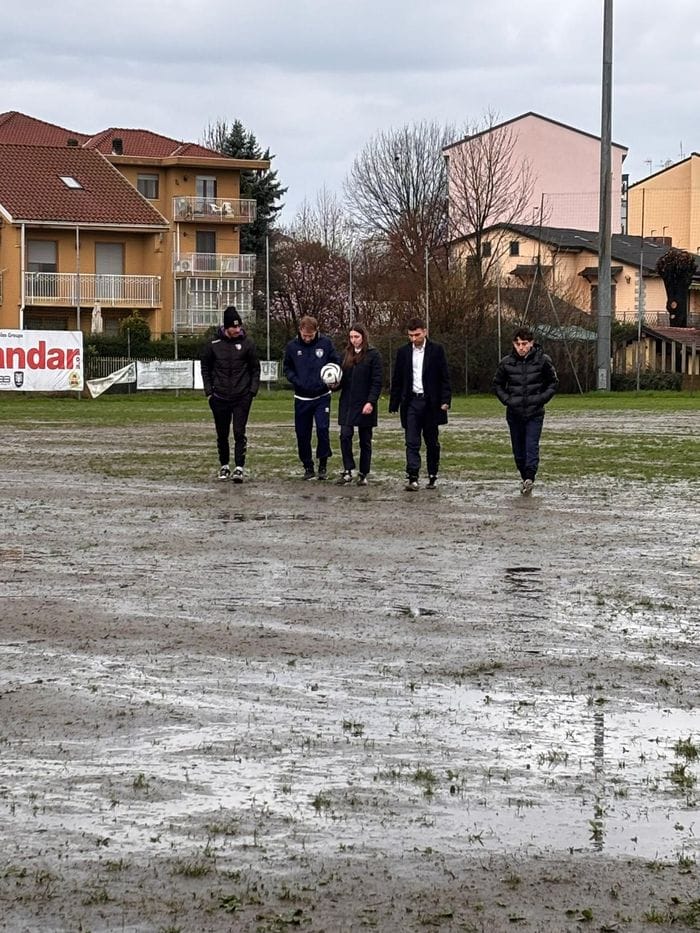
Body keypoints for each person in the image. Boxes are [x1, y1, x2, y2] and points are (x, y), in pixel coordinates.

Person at [493, 325, 559, 496]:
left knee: (531, 445)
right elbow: (497, 384)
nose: (521, 348)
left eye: (524, 344)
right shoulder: (506, 362)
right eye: (518, 344)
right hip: (514, 413)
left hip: (534, 413)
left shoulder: (543, 360)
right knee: (518, 450)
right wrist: (507, 400)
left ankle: (530, 477)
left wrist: (541, 399)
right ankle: (524, 478)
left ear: (531, 343)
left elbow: (553, 383)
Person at [388, 317, 451, 491]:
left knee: (431, 441)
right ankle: (413, 476)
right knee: (411, 440)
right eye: (410, 335)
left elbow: (444, 377)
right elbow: (398, 378)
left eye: (417, 335)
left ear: (425, 331)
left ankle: (432, 474)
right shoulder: (403, 352)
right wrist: (394, 402)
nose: (414, 339)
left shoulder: (437, 350)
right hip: (411, 402)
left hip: (431, 403)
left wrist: (445, 400)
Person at [201, 305, 260, 483]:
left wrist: (252, 391)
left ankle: (239, 468)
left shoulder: (248, 344)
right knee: (222, 433)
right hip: (219, 397)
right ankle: (224, 465)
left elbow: (255, 369)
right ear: (226, 327)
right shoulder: (213, 346)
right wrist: (209, 392)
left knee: (239, 431)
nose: (237, 329)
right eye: (233, 327)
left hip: (242, 397)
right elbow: (205, 368)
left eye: (238, 326)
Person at [283, 315, 341, 480]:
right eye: (305, 335)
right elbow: (287, 368)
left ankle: (323, 464)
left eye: (311, 335)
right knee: (302, 433)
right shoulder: (292, 347)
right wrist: (296, 381)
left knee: (323, 429)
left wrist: (333, 379)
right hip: (301, 398)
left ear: (316, 331)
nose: (307, 339)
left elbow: (335, 362)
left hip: (322, 396)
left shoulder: (326, 344)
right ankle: (308, 466)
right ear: (300, 331)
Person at [335, 323, 383, 486]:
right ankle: (348, 470)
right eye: (351, 337)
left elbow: (377, 381)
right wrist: (333, 384)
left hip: (365, 404)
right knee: (345, 435)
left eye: (357, 336)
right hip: (347, 403)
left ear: (363, 337)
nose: (354, 340)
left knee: (365, 440)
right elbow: (341, 379)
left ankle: (363, 473)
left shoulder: (373, 355)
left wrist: (371, 401)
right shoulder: (345, 355)